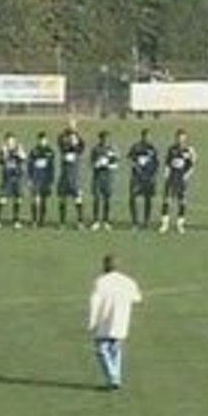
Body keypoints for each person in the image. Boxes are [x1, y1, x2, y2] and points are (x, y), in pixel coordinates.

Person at [88, 254, 143, 391]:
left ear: (105, 266)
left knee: (102, 349)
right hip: (121, 320)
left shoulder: (101, 281)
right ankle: (115, 377)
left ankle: (113, 377)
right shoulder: (128, 281)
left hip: (104, 320)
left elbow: (94, 302)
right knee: (115, 349)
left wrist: (92, 321)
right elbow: (137, 298)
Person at [159, 128, 197, 234]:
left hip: (182, 178)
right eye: (179, 138)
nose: (181, 140)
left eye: (183, 138)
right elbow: (167, 163)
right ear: (176, 138)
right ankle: (164, 224)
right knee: (167, 200)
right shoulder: (171, 149)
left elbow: (192, 165)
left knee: (182, 201)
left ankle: (180, 224)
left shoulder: (189, 150)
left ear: (185, 138)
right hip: (172, 177)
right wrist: (166, 174)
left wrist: (187, 175)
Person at [56, 121, 86, 229]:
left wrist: (76, 141)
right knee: (62, 199)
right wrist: (68, 140)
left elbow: (81, 148)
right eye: (69, 125)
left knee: (78, 198)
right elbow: (61, 146)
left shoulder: (79, 139)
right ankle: (62, 222)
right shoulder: (62, 138)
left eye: (73, 125)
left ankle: (80, 221)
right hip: (64, 175)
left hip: (75, 175)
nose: (71, 127)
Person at [127, 128, 159, 229]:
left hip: (148, 177)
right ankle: (135, 222)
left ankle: (146, 222)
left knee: (148, 199)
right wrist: (135, 166)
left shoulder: (152, 148)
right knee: (132, 198)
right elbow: (129, 158)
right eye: (145, 136)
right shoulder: (136, 147)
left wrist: (153, 175)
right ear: (142, 136)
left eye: (149, 136)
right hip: (136, 177)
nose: (147, 138)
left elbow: (156, 163)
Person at [0, 132, 25, 230]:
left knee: (18, 200)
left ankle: (16, 220)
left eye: (12, 141)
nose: (10, 143)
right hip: (7, 179)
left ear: (15, 141)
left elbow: (24, 158)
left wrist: (19, 153)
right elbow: (0, 161)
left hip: (17, 178)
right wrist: (5, 153)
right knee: (2, 200)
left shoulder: (19, 148)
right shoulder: (3, 150)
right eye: (8, 141)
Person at [89, 131, 118, 231]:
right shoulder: (95, 149)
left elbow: (116, 164)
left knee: (107, 199)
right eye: (103, 138)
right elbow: (91, 163)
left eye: (106, 138)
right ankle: (96, 221)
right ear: (100, 139)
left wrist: (108, 165)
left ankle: (106, 221)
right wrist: (98, 164)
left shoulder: (112, 149)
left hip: (108, 177)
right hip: (98, 177)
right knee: (96, 199)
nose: (105, 140)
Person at [27, 131, 55, 228]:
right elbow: (30, 165)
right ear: (38, 140)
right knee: (35, 199)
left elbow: (52, 167)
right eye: (41, 139)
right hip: (36, 178)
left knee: (43, 200)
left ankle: (41, 220)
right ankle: (34, 220)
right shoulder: (34, 151)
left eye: (44, 139)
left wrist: (51, 180)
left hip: (45, 179)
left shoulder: (50, 151)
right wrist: (30, 179)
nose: (42, 141)